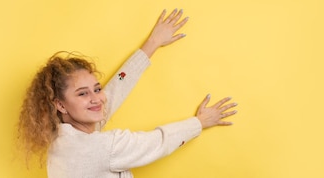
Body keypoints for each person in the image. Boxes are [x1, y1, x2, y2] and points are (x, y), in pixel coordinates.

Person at [17, 9, 238, 178]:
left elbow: (110, 95)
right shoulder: (98, 147)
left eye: (96, 89)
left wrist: (152, 44)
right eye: (82, 94)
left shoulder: (64, 139)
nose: (96, 98)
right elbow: (157, 143)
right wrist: (199, 123)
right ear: (61, 105)